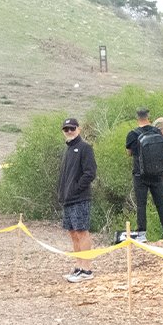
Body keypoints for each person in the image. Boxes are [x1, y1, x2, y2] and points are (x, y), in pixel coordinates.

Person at [58, 117, 97, 282]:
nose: (69, 132)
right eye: (66, 129)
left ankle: (87, 269)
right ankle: (79, 266)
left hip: (80, 198)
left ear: (78, 129)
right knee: (73, 233)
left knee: (82, 232)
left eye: (72, 129)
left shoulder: (85, 148)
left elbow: (90, 172)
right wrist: (62, 193)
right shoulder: (68, 150)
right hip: (67, 199)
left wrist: (76, 189)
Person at [124, 108, 163, 240]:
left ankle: (142, 234)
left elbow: (129, 153)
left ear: (137, 118)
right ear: (148, 117)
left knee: (141, 204)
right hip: (157, 173)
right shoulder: (156, 131)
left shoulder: (132, 134)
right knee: (160, 203)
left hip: (140, 174)